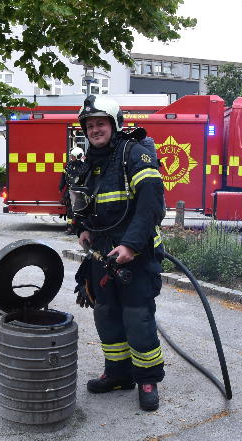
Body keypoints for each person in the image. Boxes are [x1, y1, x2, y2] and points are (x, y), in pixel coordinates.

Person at [72, 95, 166, 411]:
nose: (95, 129)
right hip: (102, 256)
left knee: (137, 317)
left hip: (135, 256)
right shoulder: (89, 162)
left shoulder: (134, 154)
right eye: (90, 125)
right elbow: (79, 201)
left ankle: (147, 379)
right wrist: (81, 228)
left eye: (100, 123)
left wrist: (130, 245)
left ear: (114, 124)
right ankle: (118, 373)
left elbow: (151, 204)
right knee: (107, 315)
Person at [59, 147, 84, 235]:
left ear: (78, 156)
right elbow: (63, 177)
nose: (71, 158)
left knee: (80, 211)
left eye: (73, 156)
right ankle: (70, 227)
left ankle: (78, 227)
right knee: (70, 210)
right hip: (70, 191)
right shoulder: (68, 166)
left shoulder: (84, 167)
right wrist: (61, 187)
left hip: (80, 192)